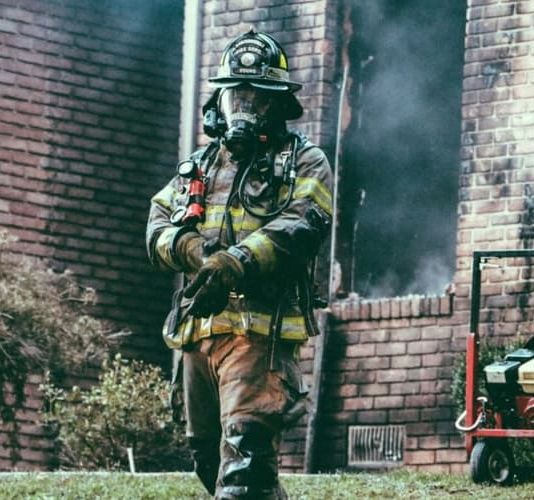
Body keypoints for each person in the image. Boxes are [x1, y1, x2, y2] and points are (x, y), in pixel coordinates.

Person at [146, 29, 333, 500]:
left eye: (255, 97)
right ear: (221, 100)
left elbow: (302, 225)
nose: (244, 108)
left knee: (244, 465)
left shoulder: (304, 162)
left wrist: (234, 263)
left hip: (260, 334)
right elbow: (157, 226)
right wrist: (191, 251)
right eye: (236, 95)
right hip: (199, 333)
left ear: (277, 103)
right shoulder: (201, 165)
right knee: (210, 460)